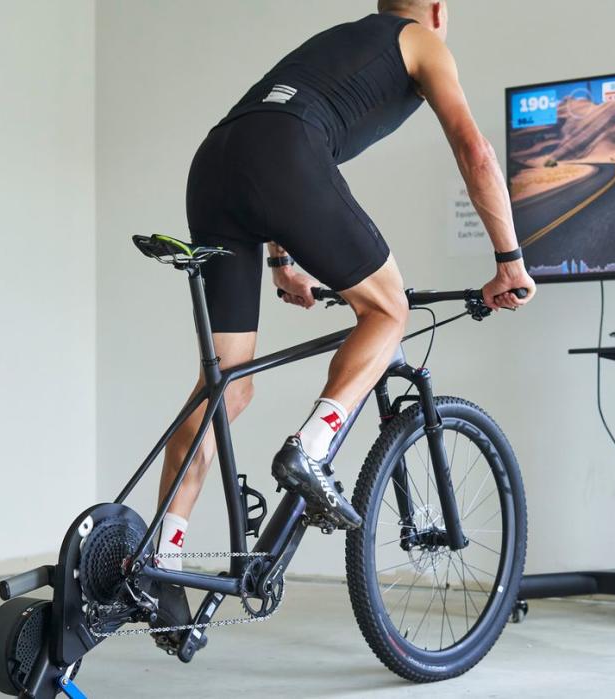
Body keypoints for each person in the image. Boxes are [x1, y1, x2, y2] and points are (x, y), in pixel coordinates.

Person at [156, 0, 536, 574]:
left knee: (226, 387)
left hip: (214, 163)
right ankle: (309, 450)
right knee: (388, 310)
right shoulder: (424, 41)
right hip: (283, 154)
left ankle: (157, 560)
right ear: (437, 9)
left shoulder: (343, 41)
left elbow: (268, 144)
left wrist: (282, 260)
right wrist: (509, 260)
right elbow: (474, 150)